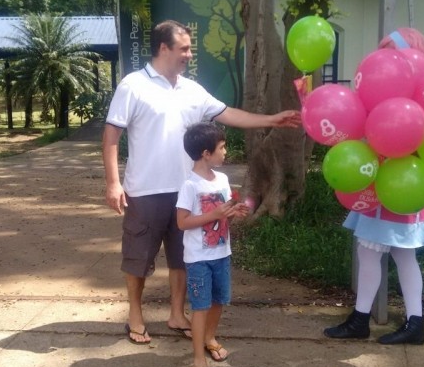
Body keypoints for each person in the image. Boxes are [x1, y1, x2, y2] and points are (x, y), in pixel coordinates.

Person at [103, 19, 300, 344]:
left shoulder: (191, 89)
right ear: (164, 48)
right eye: (184, 48)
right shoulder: (133, 85)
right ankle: (135, 314)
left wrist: (272, 120)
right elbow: (112, 134)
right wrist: (113, 182)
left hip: (186, 191)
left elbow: (228, 114)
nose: (189, 55)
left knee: (184, 257)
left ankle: (177, 313)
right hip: (145, 190)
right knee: (138, 256)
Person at [323, 28, 424, 345]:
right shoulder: (417, 88)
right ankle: (396, 321)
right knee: (387, 255)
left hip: (399, 182)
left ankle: (379, 320)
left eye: (391, 51)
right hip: (388, 182)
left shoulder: (416, 89)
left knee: (384, 255)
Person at [176, 122, 249, 367]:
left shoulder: (223, 180)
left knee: (219, 300)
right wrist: (215, 214)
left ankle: (209, 338)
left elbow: (225, 210)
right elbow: (182, 222)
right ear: (206, 153)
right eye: (221, 147)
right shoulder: (190, 185)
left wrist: (234, 211)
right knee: (200, 306)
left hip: (221, 253)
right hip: (198, 258)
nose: (225, 151)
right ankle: (198, 360)